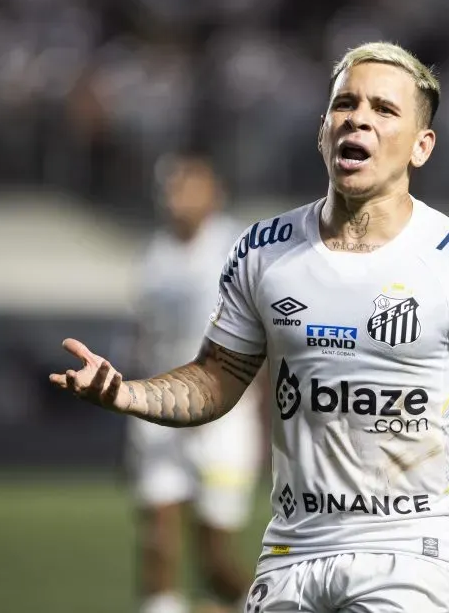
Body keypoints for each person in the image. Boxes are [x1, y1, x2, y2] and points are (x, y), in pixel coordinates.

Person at [51, 41, 449, 612]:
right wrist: (128, 393)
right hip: (290, 554)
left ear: (422, 147)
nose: (359, 118)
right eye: (345, 103)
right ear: (323, 128)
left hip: (407, 557)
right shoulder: (262, 252)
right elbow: (215, 379)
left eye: (384, 109)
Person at [126, 154, 264, 613]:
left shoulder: (238, 249)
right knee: (157, 536)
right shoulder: (155, 255)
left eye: (188, 187)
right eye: (171, 188)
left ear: (213, 194)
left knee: (213, 557)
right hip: (160, 409)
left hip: (223, 416)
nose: (176, 198)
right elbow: (145, 334)